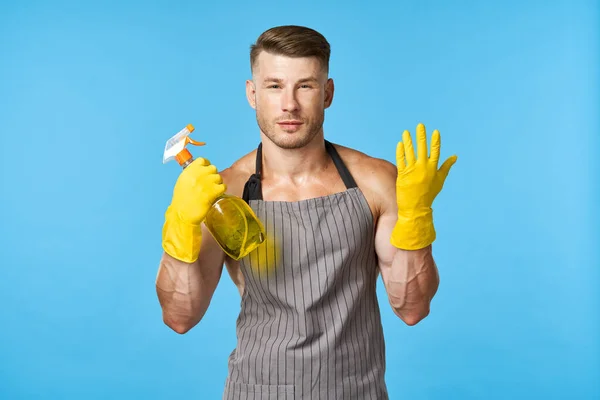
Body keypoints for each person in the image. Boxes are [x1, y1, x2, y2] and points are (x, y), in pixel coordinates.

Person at [155, 25, 457, 400]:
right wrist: (180, 226)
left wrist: (416, 218)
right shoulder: (224, 191)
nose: (289, 105)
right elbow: (180, 317)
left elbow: (412, 308)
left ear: (327, 93)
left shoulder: (375, 182)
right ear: (252, 94)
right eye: (274, 86)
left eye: (305, 86)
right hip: (255, 390)